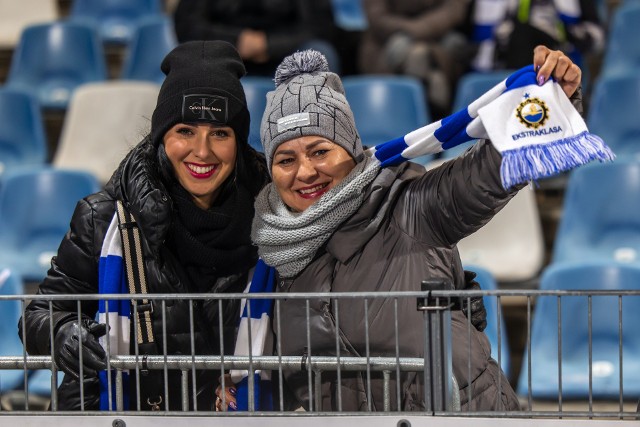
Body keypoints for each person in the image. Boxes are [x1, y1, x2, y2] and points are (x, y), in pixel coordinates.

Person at [216, 45, 584, 411]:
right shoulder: (270, 251)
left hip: (463, 418)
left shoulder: (411, 205)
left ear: (351, 149)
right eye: (286, 159)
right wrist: (236, 388)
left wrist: (553, 99)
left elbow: (488, 169)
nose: (305, 172)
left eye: (319, 151)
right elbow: (292, 374)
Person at [18, 40, 269, 411]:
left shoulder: (272, 219)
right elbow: (38, 315)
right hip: (115, 414)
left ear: (238, 142)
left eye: (220, 133)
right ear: (161, 138)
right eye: (185, 131)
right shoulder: (102, 218)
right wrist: (62, 332)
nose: (202, 151)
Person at [357, 0, 472, 118]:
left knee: (424, 54)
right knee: (413, 55)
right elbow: (378, 18)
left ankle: (416, 115)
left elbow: (453, 10)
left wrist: (418, 30)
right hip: (386, 45)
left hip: (439, 40)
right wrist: (413, 30)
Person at [172, 0, 344, 76]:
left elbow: (321, 26)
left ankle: (319, 139)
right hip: (222, 56)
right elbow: (187, 26)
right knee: (192, 57)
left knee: (319, 54)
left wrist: (268, 45)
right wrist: (237, 41)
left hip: (285, 54)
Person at [470, 0, 605, 72]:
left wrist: (570, 34)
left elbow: (598, 36)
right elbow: (474, 37)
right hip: (503, 59)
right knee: (521, 32)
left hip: (559, 54)